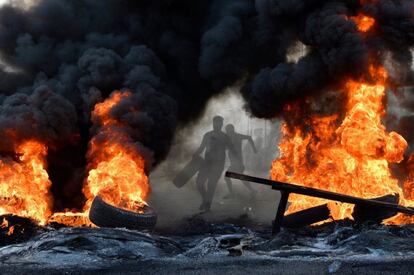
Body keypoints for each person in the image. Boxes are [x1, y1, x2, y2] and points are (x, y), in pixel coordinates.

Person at [194, 116, 234, 212]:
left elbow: (232, 149)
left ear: (221, 124)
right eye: (215, 123)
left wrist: (236, 160)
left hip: (219, 164)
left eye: (219, 123)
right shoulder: (207, 135)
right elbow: (201, 147)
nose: (217, 125)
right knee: (199, 183)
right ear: (213, 123)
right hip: (207, 162)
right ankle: (205, 199)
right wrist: (195, 154)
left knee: (211, 184)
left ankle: (208, 205)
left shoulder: (225, 137)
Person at [223, 124, 258, 199]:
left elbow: (249, 137)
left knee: (228, 177)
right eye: (227, 131)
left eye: (228, 130)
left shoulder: (238, 136)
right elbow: (226, 148)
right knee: (240, 177)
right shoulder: (228, 138)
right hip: (234, 162)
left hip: (238, 162)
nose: (227, 132)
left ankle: (232, 193)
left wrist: (254, 148)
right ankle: (252, 190)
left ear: (232, 130)